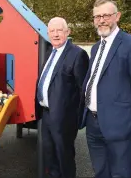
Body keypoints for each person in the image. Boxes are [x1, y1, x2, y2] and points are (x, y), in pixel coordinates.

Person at [78, 0, 131, 178]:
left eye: (106, 15)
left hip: (121, 126)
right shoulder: (96, 48)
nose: (101, 20)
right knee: (100, 172)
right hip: (93, 125)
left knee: (119, 174)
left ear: (117, 16)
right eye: (97, 16)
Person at [35, 17, 89, 178]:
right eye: (52, 31)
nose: (56, 34)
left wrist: (77, 118)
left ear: (68, 32)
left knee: (64, 158)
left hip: (65, 118)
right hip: (46, 115)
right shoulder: (49, 52)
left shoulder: (77, 54)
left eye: (60, 30)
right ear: (48, 33)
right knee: (50, 157)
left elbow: (83, 90)